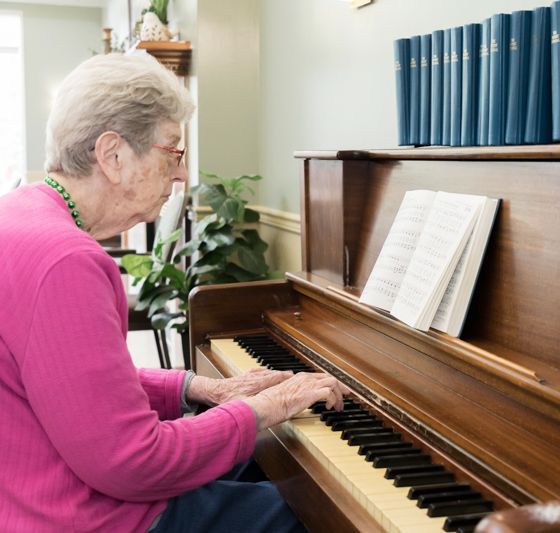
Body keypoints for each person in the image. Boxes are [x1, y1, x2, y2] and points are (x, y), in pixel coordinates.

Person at [0, 53, 349, 532]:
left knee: (271, 468)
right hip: (88, 517)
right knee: (314, 513)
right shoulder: (66, 260)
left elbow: (72, 382)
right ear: (113, 155)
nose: (182, 175)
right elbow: (133, 463)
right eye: (174, 153)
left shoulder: (19, 213)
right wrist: (269, 406)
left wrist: (199, 388)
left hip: (39, 494)